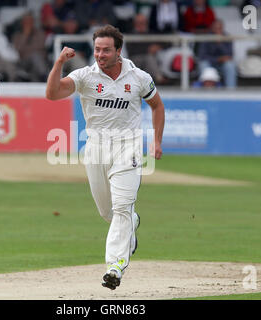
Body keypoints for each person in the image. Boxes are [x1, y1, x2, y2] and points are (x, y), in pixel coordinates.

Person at [46, 25, 165, 290]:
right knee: (108, 213)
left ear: (118, 51)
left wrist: (156, 141)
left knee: (122, 207)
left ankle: (114, 267)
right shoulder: (85, 76)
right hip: (96, 148)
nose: (100, 55)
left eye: (106, 50)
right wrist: (58, 63)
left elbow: (157, 106)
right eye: (97, 49)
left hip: (128, 147)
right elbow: (52, 94)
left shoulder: (138, 77)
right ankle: (132, 223)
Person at [197, 19, 237, 88]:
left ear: (222, 28)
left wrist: (220, 44)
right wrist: (218, 59)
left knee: (230, 65)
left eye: (219, 28)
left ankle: (231, 91)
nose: (217, 30)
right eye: (216, 28)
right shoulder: (206, 38)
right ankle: (205, 90)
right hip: (209, 63)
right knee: (203, 64)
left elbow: (229, 55)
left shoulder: (227, 37)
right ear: (212, 28)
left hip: (222, 65)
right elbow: (202, 56)